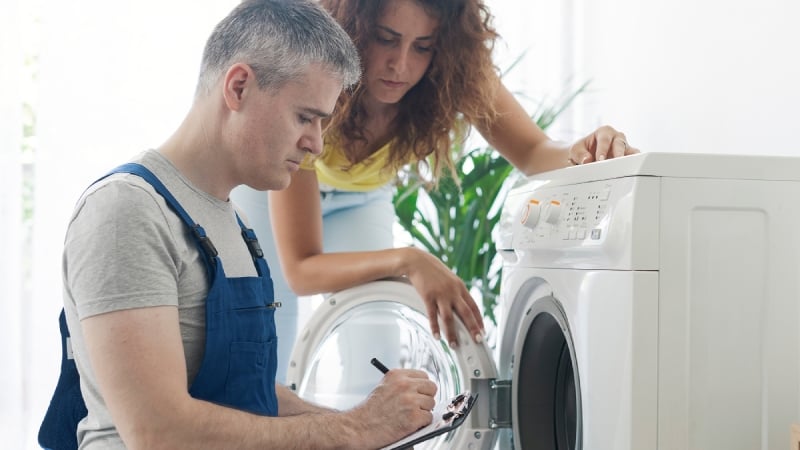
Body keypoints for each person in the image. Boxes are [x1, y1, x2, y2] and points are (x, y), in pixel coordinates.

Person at [49, 1, 438, 448]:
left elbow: (242, 393)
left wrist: (375, 424)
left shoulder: (232, 222)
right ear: (238, 87)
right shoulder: (127, 211)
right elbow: (158, 431)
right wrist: (353, 429)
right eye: (305, 117)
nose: (315, 144)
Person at [231, 0, 640, 379]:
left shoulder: (456, 74)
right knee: (266, 332)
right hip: (270, 182)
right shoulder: (313, 68)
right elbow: (302, 268)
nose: (400, 65)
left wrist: (586, 150)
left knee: (376, 349)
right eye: (386, 39)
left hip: (362, 197)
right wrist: (411, 260)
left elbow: (533, 151)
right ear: (353, 29)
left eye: (423, 46)